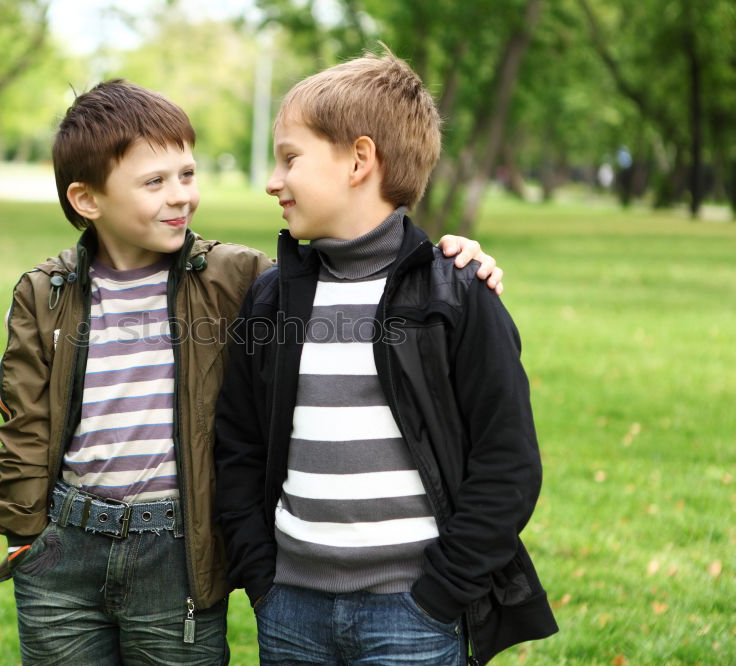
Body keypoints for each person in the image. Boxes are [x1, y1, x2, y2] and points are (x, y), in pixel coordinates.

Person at [0, 78, 501, 665]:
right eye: (155, 181)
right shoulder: (46, 292)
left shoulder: (232, 277)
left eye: (187, 174)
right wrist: (24, 534)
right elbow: (23, 422)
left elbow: (352, 260)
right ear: (87, 200)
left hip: (176, 549)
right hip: (67, 544)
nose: (181, 195)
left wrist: (458, 258)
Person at [213, 51, 558, 666]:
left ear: (359, 160)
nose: (273, 180)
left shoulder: (453, 293)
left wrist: (440, 593)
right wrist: (262, 578)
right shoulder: (272, 298)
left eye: (290, 158)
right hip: (290, 606)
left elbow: (508, 463)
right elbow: (237, 443)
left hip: (414, 613)